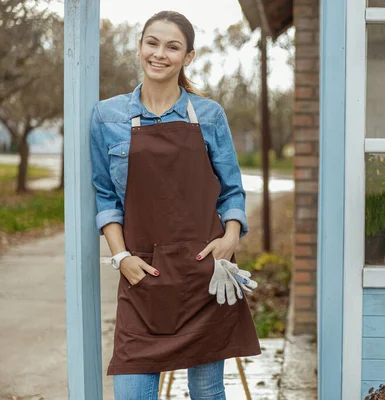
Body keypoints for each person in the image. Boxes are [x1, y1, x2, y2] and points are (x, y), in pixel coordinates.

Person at [90, 10, 261, 400]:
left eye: (172, 47)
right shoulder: (107, 117)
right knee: (132, 393)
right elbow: (105, 198)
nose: (159, 54)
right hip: (142, 277)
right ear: (139, 47)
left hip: (204, 275)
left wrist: (230, 236)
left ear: (188, 57)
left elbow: (232, 191)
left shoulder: (209, 115)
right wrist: (121, 258)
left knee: (206, 391)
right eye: (152, 43)